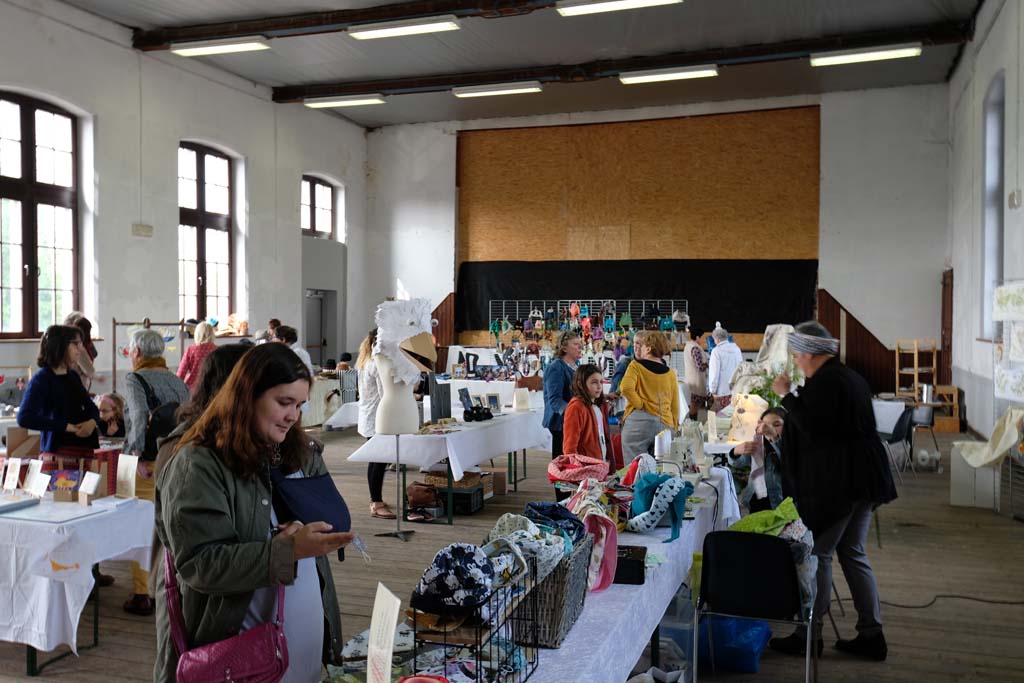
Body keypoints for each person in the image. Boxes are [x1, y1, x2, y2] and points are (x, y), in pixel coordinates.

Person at [154, 343, 352, 683]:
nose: (293, 416)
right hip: (239, 656)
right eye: (284, 402)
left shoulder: (284, 450)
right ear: (246, 396)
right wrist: (289, 549)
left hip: (293, 647)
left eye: (299, 405)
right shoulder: (197, 464)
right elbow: (201, 564)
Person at [768, 321, 896, 660]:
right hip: (864, 478)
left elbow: (813, 429)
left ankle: (810, 636)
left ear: (811, 352)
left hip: (844, 481)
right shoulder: (847, 377)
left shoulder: (828, 383)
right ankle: (872, 634)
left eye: (797, 354)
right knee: (853, 552)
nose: (796, 361)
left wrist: (786, 396)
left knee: (819, 555)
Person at [148, 343, 250, 594]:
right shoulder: (189, 450)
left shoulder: (222, 438)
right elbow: (199, 558)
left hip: (206, 582)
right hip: (189, 589)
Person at [121, 328, 190, 616]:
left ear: (136, 352)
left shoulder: (135, 379)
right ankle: (171, 585)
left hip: (146, 463)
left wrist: (135, 455)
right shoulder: (177, 381)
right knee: (169, 526)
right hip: (175, 460)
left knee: (140, 527)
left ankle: (142, 593)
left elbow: (138, 416)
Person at [619, 330, 680, 460]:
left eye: (643, 345)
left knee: (635, 466)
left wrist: (640, 404)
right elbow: (675, 404)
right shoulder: (670, 373)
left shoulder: (635, 366)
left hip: (639, 422)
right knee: (663, 467)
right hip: (665, 422)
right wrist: (674, 427)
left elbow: (626, 387)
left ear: (648, 349)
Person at [356, 328, 395, 520]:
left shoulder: (365, 361)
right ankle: (376, 502)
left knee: (378, 460)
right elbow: (385, 393)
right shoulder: (376, 363)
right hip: (377, 417)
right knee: (378, 461)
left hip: (370, 415)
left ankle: (376, 499)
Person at [728, 407, 786, 512]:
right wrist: (735, 452)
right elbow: (738, 463)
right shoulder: (758, 444)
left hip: (780, 502)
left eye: (776, 425)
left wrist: (774, 438)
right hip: (754, 499)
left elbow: (788, 463)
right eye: (766, 425)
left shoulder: (792, 446)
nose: (769, 429)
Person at [562, 364, 614, 466]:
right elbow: (569, 447)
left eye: (601, 382)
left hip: (600, 464)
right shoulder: (576, 408)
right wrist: (578, 469)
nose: (599, 386)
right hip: (586, 467)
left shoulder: (599, 405)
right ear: (580, 384)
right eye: (594, 382)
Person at [543, 331, 582, 460]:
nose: (580, 347)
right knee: (562, 461)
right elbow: (555, 400)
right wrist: (573, 412)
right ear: (564, 348)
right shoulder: (556, 367)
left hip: (572, 421)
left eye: (580, 344)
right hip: (561, 423)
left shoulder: (576, 367)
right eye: (575, 344)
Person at [707, 324, 742, 412]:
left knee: (720, 417)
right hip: (735, 391)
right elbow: (741, 369)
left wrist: (712, 390)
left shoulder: (716, 351)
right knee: (733, 416)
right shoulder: (737, 349)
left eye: (714, 339)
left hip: (721, 392)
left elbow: (714, 373)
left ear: (717, 339)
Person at [176, 321, 217, 391]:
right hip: (212, 388)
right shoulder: (217, 350)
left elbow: (181, 373)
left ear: (197, 334)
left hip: (192, 389)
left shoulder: (191, 350)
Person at [64, 312, 99, 392]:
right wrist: (97, 377)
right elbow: (88, 369)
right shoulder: (76, 346)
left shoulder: (85, 342)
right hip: (78, 381)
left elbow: (95, 353)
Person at [682, 327, 709, 419]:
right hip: (696, 381)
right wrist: (709, 364)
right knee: (694, 406)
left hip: (692, 380)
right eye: (702, 337)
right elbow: (700, 366)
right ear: (697, 337)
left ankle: (693, 422)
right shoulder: (695, 348)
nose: (703, 340)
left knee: (695, 405)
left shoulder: (688, 346)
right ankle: (693, 423)